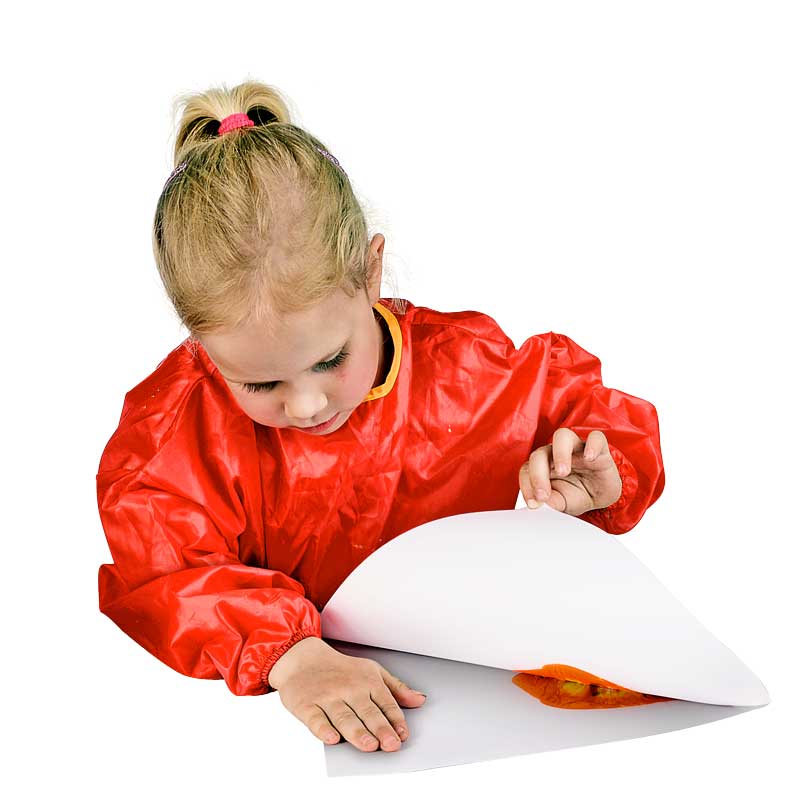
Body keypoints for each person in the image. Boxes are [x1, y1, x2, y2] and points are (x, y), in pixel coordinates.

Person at [96, 79, 666, 755]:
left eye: (331, 359)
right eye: (260, 382)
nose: (306, 405)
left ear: (371, 273)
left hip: (491, 682)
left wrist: (603, 474)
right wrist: (292, 655)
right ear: (199, 341)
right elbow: (164, 571)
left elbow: (591, 414)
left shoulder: (469, 373)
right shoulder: (176, 429)